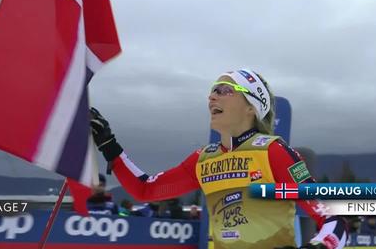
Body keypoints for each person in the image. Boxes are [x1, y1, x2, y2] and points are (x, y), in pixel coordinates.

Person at [90, 69, 348, 248]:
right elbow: (146, 189)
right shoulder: (203, 159)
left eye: (224, 90)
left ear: (251, 106)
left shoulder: (272, 152)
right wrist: (109, 146)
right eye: (212, 91)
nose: (211, 96)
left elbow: (331, 218)